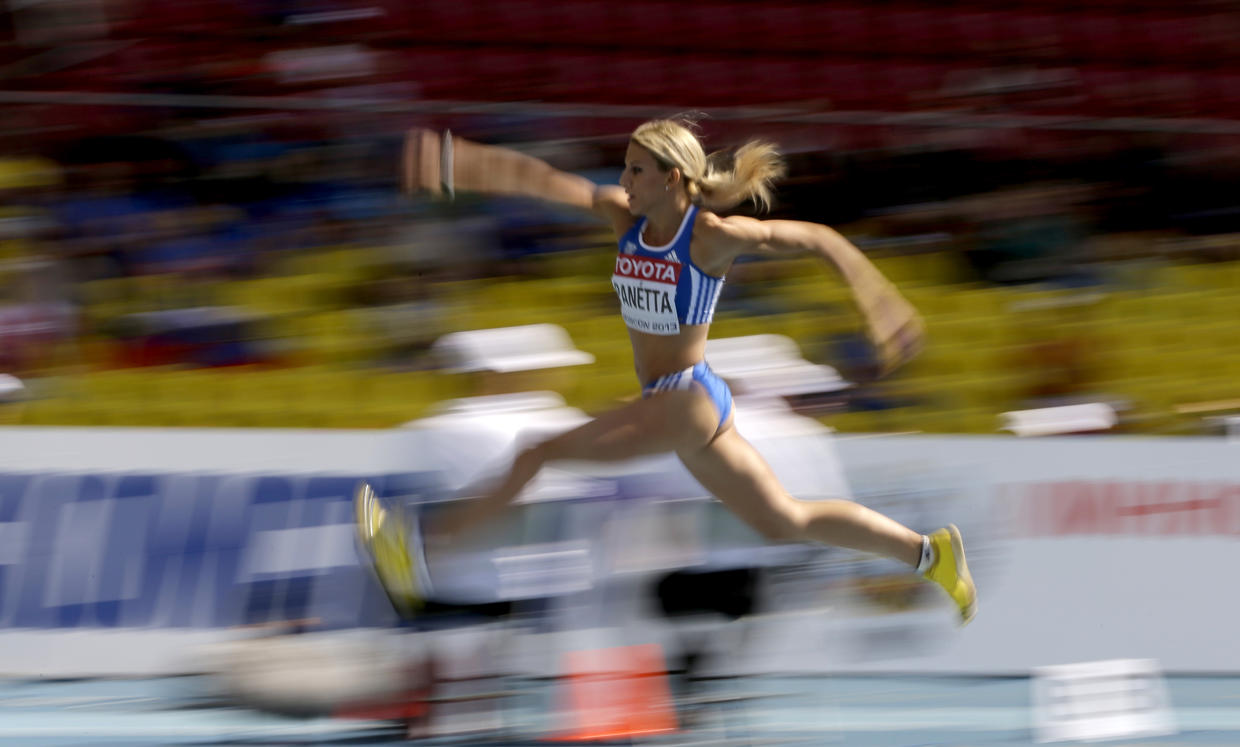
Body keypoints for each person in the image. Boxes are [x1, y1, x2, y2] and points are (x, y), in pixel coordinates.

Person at [356, 119, 976, 625]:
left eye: (635, 170)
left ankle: (419, 548)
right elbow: (541, 180)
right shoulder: (622, 218)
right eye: (624, 167)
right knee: (784, 519)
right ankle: (929, 553)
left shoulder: (708, 236)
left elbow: (817, 238)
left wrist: (879, 299)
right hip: (683, 403)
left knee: (537, 454)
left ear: (672, 178)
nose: (622, 179)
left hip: (687, 401)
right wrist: (457, 162)